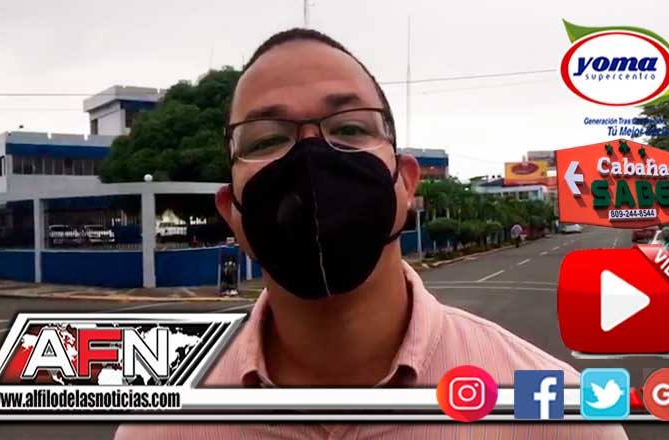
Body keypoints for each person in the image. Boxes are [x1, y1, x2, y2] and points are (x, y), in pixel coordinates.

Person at [116, 28, 627, 439]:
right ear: (233, 213)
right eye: (267, 139)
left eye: (350, 129)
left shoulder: (558, 418)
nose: (311, 157)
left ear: (405, 185)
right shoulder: (161, 426)